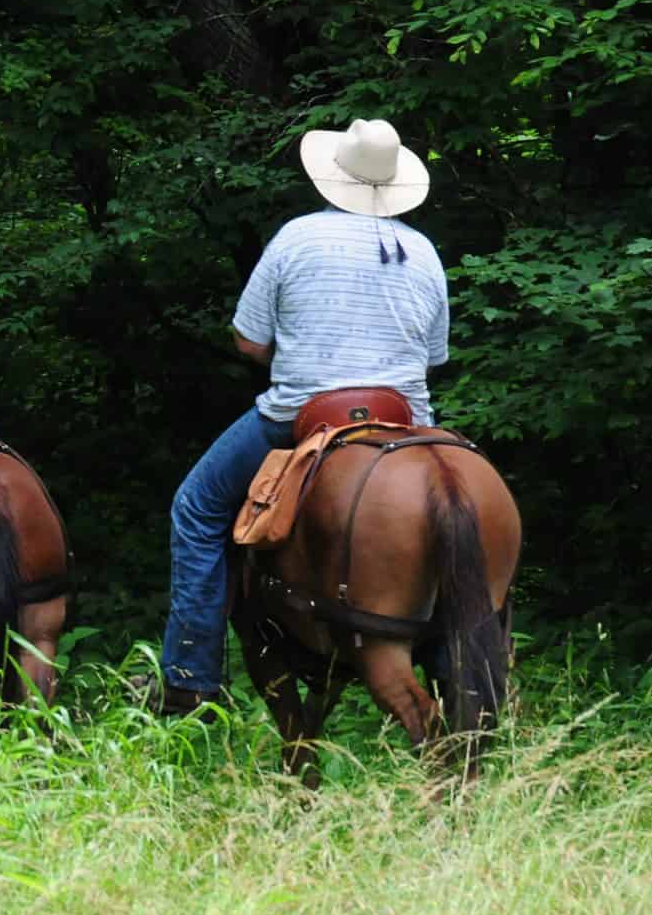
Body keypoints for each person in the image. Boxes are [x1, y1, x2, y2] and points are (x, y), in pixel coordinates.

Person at [138, 117, 448, 715]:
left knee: (196, 508)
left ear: (335, 176)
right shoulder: (424, 250)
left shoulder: (296, 237)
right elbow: (433, 357)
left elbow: (249, 342)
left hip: (303, 416)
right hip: (404, 421)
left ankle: (190, 676)